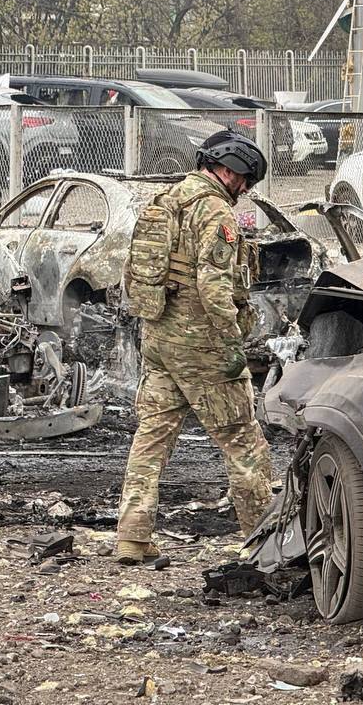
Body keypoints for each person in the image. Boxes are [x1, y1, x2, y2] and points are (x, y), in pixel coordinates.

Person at [115, 131, 274, 564]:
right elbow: (214, 285)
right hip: (201, 343)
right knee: (243, 440)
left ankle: (132, 535)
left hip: (159, 337)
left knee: (152, 436)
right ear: (229, 171)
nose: (245, 190)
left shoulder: (166, 200)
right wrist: (233, 342)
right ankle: (265, 544)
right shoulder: (214, 211)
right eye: (245, 181)